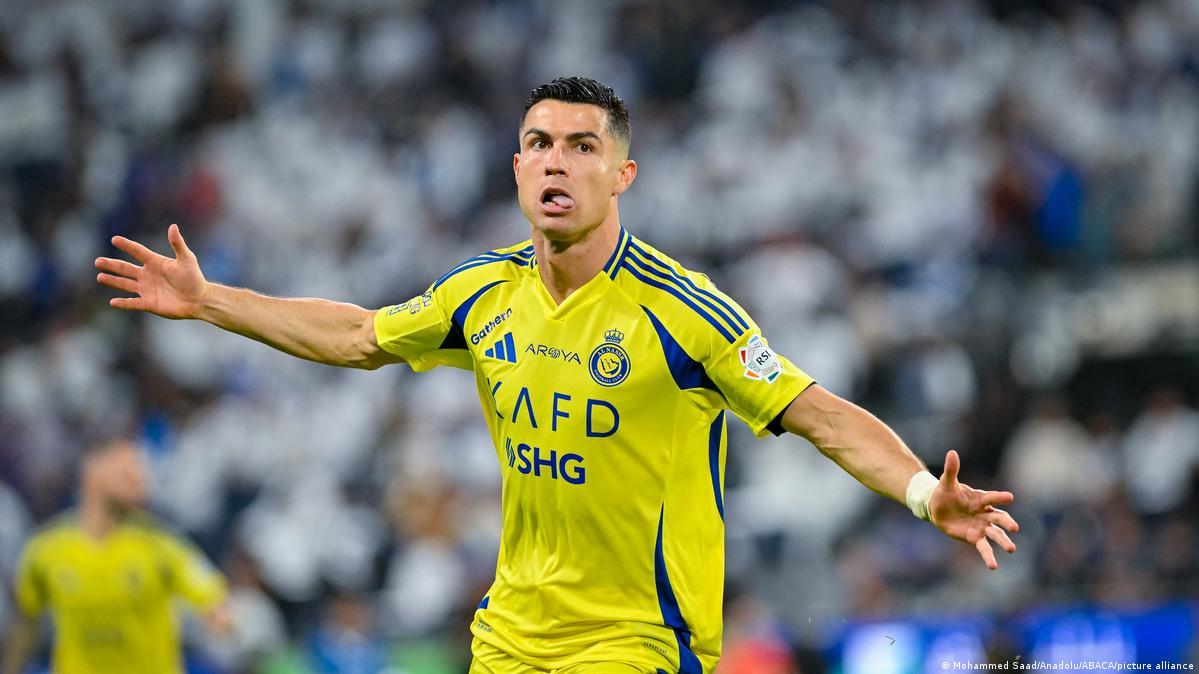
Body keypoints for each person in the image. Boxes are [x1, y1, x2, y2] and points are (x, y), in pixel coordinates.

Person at [94, 76, 1019, 673]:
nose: (556, 162)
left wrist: (917, 492)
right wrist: (211, 303)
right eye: (539, 143)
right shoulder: (481, 292)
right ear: (515, 168)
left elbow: (817, 413)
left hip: (637, 640)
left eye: (582, 147)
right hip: (507, 636)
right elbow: (360, 335)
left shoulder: (684, 312)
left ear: (622, 175)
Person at [3, 437, 230, 674]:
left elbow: (210, 595)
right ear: (93, 471)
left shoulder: (160, 546)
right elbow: (26, 623)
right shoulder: (46, 551)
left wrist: (219, 615)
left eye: (140, 471)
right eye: (126, 470)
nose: (139, 479)